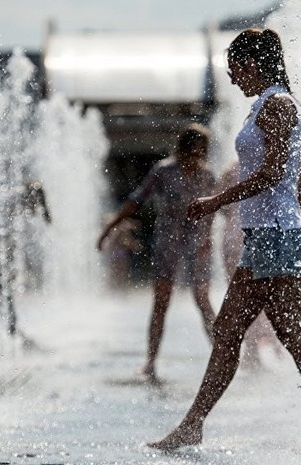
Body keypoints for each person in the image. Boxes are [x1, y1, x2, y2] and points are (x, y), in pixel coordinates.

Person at [147, 28, 301, 451]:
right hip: (275, 235)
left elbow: (277, 171)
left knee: (230, 332)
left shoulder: (277, 105)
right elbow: (295, 171)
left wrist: (215, 200)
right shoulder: (267, 105)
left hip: (274, 238)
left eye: (234, 67)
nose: (232, 77)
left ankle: (193, 425)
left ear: (252, 64)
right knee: (292, 338)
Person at [97, 123, 217, 382]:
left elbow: (212, 208)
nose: (197, 157)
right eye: (193, 151)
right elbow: (136, 200)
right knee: (161, 302)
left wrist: (208, 237)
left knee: (203, 301)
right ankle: (150, 362)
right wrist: (110, 228)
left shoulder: (207, 175)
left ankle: (222, 358)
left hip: (197, 242)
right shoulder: (164, 171)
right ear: (183, 149)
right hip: (169, 239)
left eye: (202, 152)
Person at [217, 160, 282, 369]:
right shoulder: (270, 166)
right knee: (263, 295)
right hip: (258, 236)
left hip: (233, 237)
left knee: (240, 296)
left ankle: (252, 350)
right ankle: (268, 346)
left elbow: (220, 204)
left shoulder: (231, 170)